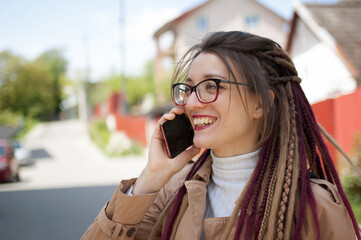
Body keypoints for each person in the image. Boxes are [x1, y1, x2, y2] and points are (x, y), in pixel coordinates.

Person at [82, 31, 360, 240]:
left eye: (211, 86)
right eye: (189, 88)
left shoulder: (316, 206)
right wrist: (151, 176)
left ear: (260, 104)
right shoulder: (173, 190)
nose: (190, 103)